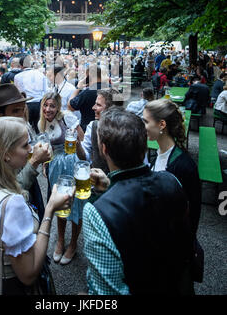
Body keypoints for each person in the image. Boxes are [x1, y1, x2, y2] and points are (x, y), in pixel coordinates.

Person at [82, 107, 194, 295]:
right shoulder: (171, 181)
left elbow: (108, 291)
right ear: (143, 146)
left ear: (104, 150)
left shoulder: (96, 212)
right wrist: (111, 187)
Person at [0, 116, 71, 295]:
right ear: (5, 153)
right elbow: (28, 275)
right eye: (24, 146)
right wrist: (50, 208)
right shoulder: (12, 204)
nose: (31, 150)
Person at [0, 83, 51, 221]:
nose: (21, 115)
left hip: (29, 184)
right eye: (15, 111)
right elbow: (12, 190)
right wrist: (34, 161)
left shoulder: (19, 126)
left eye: (22, 109)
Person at [143, 99, 202, 241]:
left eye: (146, 122)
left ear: (161, 124)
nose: (142, 126)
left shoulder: (184, 166)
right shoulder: (160, 154)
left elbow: (192, 216)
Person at [39, 92, 84, 265]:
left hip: (72, 162)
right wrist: (45, 165)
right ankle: (60, 241)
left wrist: (83, 162)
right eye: (45, 105)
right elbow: (46, 147)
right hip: (55, 167)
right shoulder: (42, 123)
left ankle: (73, 244)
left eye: (52, 105)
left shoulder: (68, 118)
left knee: (76, 205)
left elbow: (82, 140)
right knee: (60, 203)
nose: (48, 109)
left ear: (58, 107)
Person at [76, 89, 124, 174]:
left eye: (98, 105)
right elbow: (85, 157)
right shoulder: (93, 126)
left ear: (110, 109)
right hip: (99, 182)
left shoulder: (128, 128)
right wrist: (78, 145)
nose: (93, 107)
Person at [14, 56, 48, 132]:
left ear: (21, 65)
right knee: (39, 129)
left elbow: (18, 93)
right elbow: (46, 90)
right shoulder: (40, 74)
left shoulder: (17, 76)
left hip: (27, 104)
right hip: (38, 103)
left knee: (26, 129)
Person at [68, 65, 103, 131]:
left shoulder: (87, 92)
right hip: (107, 127)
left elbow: (70, 106)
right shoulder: (111, 89)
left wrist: (78, 88)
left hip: (87, 130)